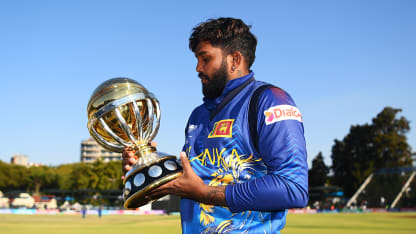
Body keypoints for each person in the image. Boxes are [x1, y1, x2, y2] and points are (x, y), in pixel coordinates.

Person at [123, 17, 308, 233]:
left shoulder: (270, 100)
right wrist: (148, 167)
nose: (198, 68)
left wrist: (202, 193)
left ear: (235, 60)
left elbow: (293, 188)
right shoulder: (198, 115)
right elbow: (197, 179)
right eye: (197, 59)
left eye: (205, 58)